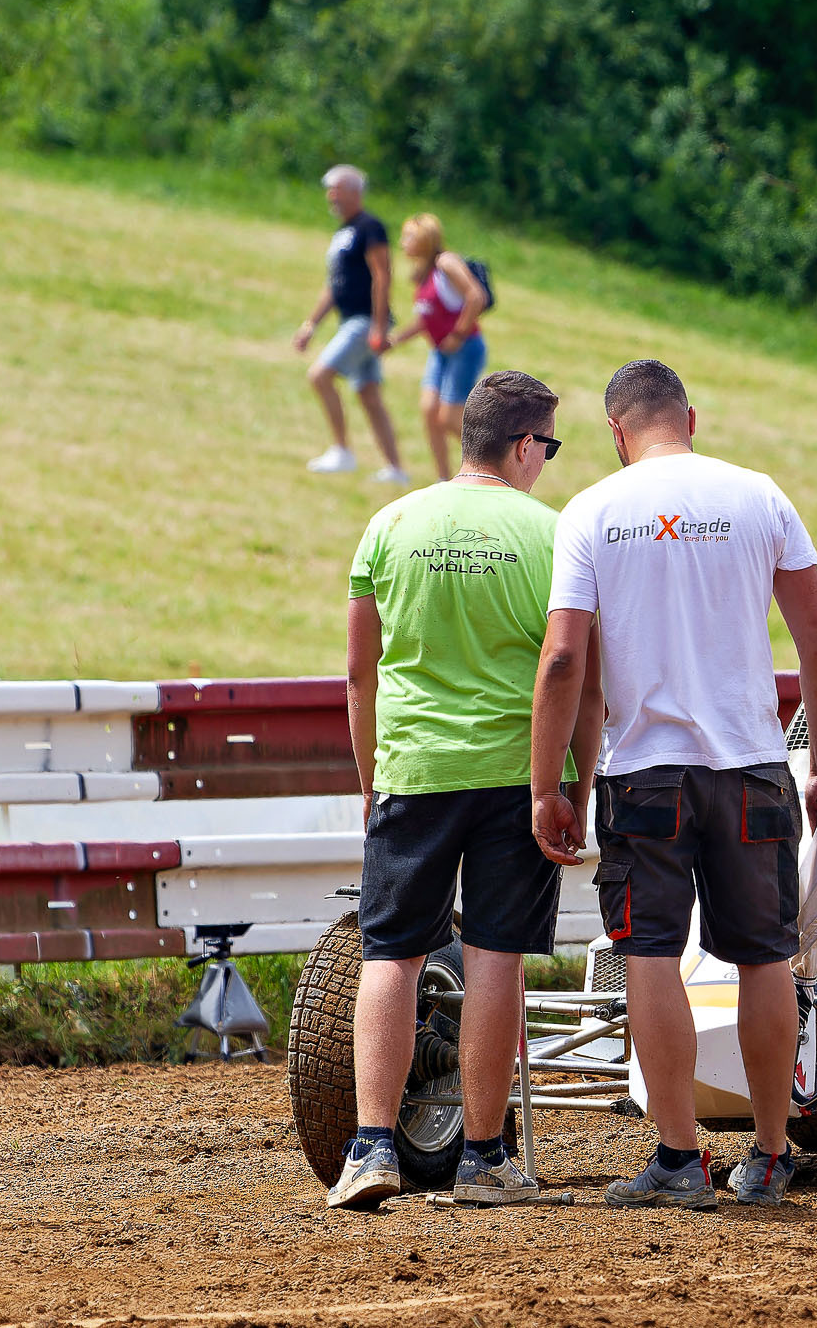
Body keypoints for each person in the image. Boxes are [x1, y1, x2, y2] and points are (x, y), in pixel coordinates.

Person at [530, 359, 817, 1210]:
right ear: (691, 418)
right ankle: (771, 1154)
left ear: (615, 431)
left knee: (649, 953)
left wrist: (549, 783)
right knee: (764, 958)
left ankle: (679, 1157)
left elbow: (563, 658)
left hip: (645, 775)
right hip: (750, 765)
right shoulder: (760, 496)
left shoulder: (592, 510)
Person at [329, 370, 602, 1210]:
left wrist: (371, 777)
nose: (547, 461)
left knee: (391, 955)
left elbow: (358, 672)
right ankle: (483, 1157)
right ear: (524, 445)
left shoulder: (389, 523)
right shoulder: (554, 534)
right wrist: (576, 784)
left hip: (414, 768)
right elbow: (580, 676)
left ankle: (372, 1146)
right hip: (517, 774)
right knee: (494, 956)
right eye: (548, 446)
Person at [292, 165, 410, 485]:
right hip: (350, 319)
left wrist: (379, 325)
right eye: (329, 190)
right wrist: (311, 324)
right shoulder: (342, 232)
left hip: (365, 321)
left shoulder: (370, 227)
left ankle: (342, 451)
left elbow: (382, 275)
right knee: (369, 394)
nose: (331, 196)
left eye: (337, 189)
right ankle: (395, 470)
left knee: (320, 376)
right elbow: (335, 285)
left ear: (355, 192)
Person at [391, 214, 490, 483]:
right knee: (429, 411)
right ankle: (443, 479)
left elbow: (476, 296)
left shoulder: (445, 263)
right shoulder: (422, 273)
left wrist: (457, 334)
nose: (403, 243)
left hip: (465, 348)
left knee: (449, 417)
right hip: (440, 352)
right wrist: (394, 340)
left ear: (425, 239)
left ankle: (494, 459)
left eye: (409, 237)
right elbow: (425, 320)